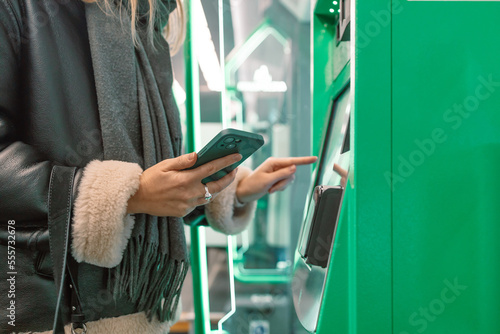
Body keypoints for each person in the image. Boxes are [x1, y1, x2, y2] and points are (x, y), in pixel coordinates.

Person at [0, 0, 316, 333]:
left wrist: (235, 192)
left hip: (143, 310)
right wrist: (129, 194)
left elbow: (156, 185)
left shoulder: (147, 29)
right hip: (53, 312)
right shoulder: (23, 9)